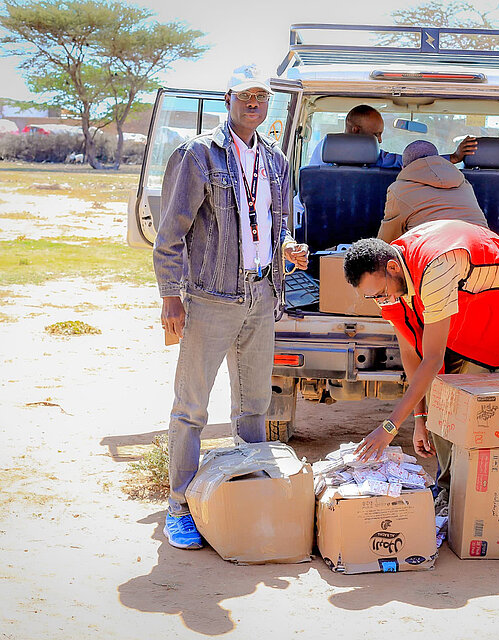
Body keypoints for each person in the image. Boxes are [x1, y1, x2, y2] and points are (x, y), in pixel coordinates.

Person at [153, 65, 309, 550]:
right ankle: (179, 506)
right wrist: (169, 296)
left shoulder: (275, 159)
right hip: (210, 298)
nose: (254, 103)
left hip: (262, 295)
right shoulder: (198, 154)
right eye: (245, 95)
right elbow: (171, 233)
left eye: (261, 96)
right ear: (228, 99)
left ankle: (248, 497)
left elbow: (273, 224)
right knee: (191, 408)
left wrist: (286, 248)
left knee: (254, 408)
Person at [343, 221, 499, 493]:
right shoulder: (392, 275)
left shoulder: (436, 268)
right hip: (463, 309)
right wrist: (420, 417)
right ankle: (450, 495)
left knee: (467, 415)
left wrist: (391, 426)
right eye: (373, 297)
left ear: (392, 268)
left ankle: (471, 505)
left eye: (381, 293)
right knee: (441, 405)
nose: (382, 300)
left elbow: (433, 358)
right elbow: (410, 351)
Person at [377, 140, 489, 243]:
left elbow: (387, 240)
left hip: (439, 257)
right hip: (488, 249)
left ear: (403, 167)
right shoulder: (463, 183)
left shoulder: (398, 190)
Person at [307, 104, 476, 168]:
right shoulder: (377, 160)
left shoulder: (321, 155)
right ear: (356, 130)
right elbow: (409, 163)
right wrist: (453, 158)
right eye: (376, 135)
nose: (380, 141)